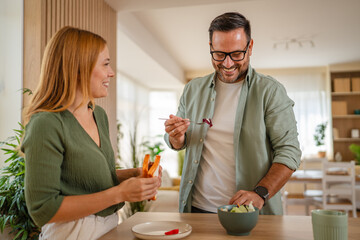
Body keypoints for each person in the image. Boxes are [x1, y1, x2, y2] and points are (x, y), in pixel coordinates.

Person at [21, 26, 161, 240]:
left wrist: (132, 176)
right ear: (78, 68)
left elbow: (86, 181)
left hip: (108, 228)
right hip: (70, 234)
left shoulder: (99, 115)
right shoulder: (46, 124)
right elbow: (43, 209)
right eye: (105, 64)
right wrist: (120, 193)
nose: (111, 72)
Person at [164, 12, 301, 215]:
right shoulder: (193, 89)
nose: (228, 64)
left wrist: (260, 193)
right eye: (219, 54)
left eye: (237, 54)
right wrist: (176, 137)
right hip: (197, 209)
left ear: (250, 47)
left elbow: (289, 151)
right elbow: (177, 141)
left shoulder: (270, 91)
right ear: (210, 47)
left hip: (250, 212)